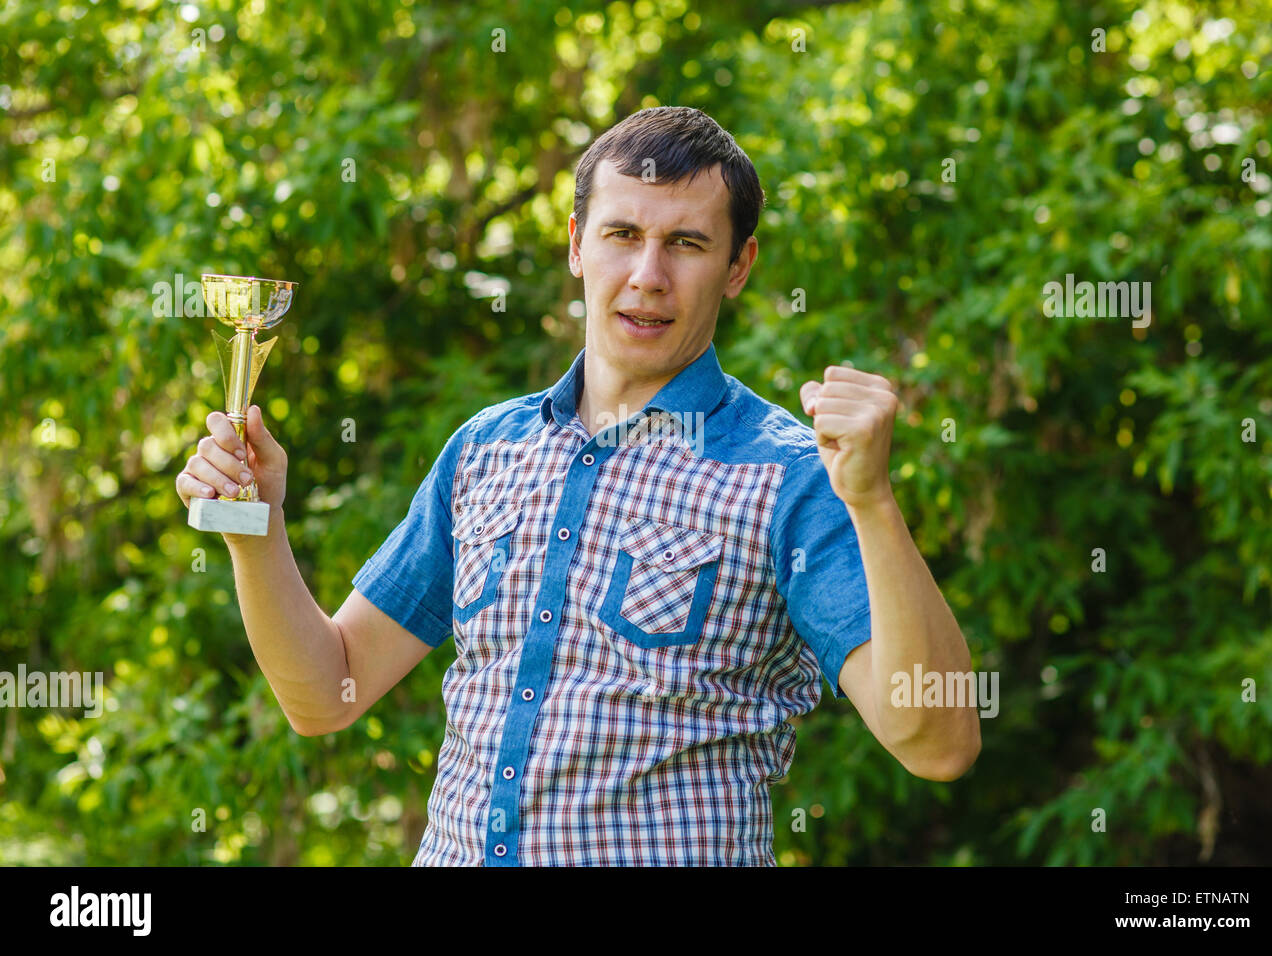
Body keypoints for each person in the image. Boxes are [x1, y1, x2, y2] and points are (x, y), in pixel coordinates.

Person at [175, 106, 979, 866]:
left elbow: (937, 741)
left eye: (688, 244)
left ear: (739, 267)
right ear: (575, 245)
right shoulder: (486, 449)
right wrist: (256, 531)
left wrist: (872, 501)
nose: (648, 275)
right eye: (622, 234)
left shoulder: (791, 475)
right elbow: (328, 694)